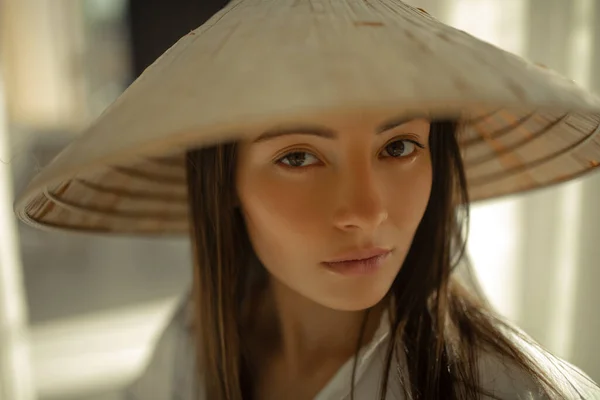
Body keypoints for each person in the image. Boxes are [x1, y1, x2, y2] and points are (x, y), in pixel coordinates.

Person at [14, 0, 600, 398]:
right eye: (298, 157)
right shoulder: (193, 342)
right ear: (226, 185)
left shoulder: (507, 387)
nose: (367, 211)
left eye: (399, 146)